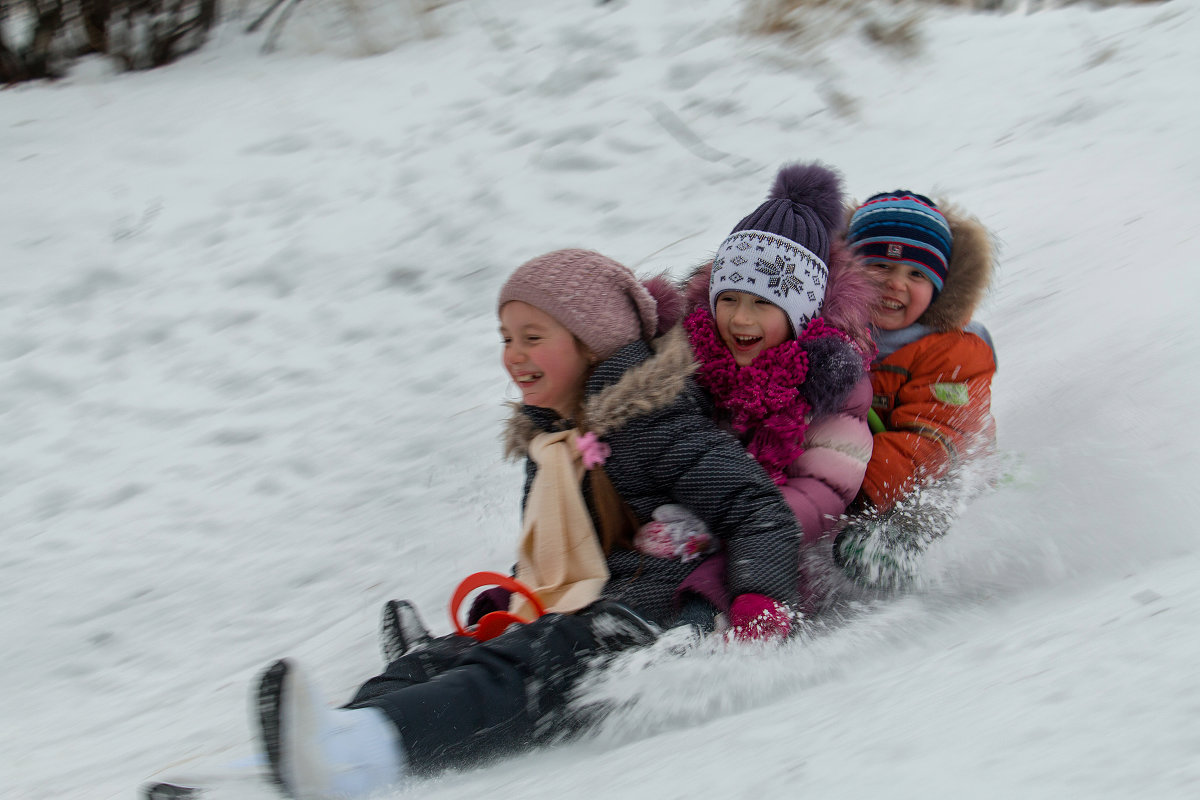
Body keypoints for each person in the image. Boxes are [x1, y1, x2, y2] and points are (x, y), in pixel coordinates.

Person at [254, 248, 810, 800]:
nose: (513, 355)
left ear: (591, 343)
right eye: (506, 338)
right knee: (447, 654)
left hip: (646, 621)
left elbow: (758, 508)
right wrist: (517, 596)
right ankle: (330, 736)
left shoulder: (655, 422)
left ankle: (361, 749)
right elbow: (557, 553)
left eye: (532, 337)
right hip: (585, 603)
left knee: (530, 658)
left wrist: (759, 609)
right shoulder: (550, 443)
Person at [666, 162, 878, 619]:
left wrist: (739, 525)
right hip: (682, 527)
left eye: (764, 304)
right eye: (729, 299)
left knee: (710, 580)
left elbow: (825, 487)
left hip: (778, 546)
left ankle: (696, 638)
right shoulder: (691, 361)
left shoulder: (833, 384)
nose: (741, 319)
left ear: (801, 315)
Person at [832, 191, 997, 588]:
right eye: (879, 266)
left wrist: (853, 493)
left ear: (939, 287)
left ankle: (904, 561)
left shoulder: (954, 348)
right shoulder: (833, 332)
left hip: (935, 470)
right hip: (857, 467)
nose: (895, 284)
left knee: (934, 500)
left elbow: (931, 438)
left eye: (916, 274)